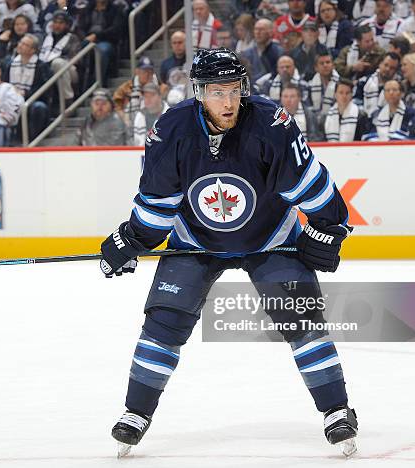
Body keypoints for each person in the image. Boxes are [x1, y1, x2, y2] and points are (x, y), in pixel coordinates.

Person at [99, 48, 358, 458]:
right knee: (165, 318)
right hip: (196, 240)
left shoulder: (271, 126)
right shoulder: (172, 131)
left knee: (301, 317)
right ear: (199, 92)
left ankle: (336, 410)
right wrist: (133, 239)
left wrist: (331, 229)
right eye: (217, 91)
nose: (227, 101)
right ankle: (136, 412)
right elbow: (157, 205)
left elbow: (313, 186)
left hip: (272, 236)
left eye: (234, 90)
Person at [3, 33, 51, 139]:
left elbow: (45, 90)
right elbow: (4, 83)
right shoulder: (10, 64)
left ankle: (32, 140)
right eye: (20, 42)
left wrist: (25, 93)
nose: (20, 45)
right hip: (12, 98)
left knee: (39, 107)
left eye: (25, 44)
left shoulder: (41, 66)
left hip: (32, 100)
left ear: (32, 50)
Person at [38, 10, 81, 109]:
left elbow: (75, 58)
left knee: (57, 63)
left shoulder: (73, 38)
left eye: (61, 23)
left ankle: (68, 101)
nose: (57, 25)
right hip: (47, 68)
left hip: (70, 69)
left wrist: (56, 59)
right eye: (55, 22)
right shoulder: (45, 37)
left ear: (67, 25)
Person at [113, 56, 165, 126]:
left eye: (150, 71)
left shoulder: (161, 87)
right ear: (137, 71)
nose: (147, 74)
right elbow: (117, 105)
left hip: (156, 122)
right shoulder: (125, 88)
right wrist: (125, 119)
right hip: (130, 122)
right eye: (144, 71)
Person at [353, 52, 400, 116]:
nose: (387, 69)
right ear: (380, 64)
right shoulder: (363, 81)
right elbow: (355, 101)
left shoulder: (399, 87)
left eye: (392, 68)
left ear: (396, 71)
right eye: (386, 65)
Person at [242, 18, 284, 82]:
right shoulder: (247, 53)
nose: (258, 32)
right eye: (256, 29)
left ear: (270, 32)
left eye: (261, 29)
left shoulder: (278, 51)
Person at [307, 50, 339, 123]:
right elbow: (308, 107)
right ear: (316, 68)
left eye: (328, 62)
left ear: (333, 65)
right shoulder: (310, 86)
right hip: (314, 121)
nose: (325, 65)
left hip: (334, 120)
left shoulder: (340, 85)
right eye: (322, 63)